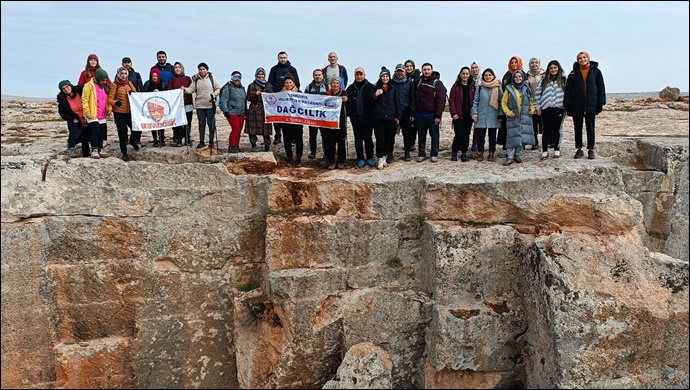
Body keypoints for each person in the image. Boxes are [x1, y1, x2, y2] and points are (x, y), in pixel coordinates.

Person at [564, 50, 606, 160]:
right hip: (577, 104)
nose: (582, 60)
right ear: (577, 60)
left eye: (584, 57)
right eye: (580, 58)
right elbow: (568, 90)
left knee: (590, 127)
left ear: (588, 58)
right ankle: (579, 149)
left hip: (591, 103)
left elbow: (601, 87)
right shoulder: (573, 74)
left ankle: (591, 150)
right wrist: (568, 105)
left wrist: (600, 103)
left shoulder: (596, 71)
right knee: (577, 127)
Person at [182, 62, 221, 149]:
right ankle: (202, 141)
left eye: (204, 69)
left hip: (210, 105)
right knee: (201, 124)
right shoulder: (195, 80)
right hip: (200, 106)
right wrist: (184, 89)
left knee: (211, 124)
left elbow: (218, 88)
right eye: (200, 69)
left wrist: (213, 95)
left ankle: (211, 141)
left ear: (207, 70)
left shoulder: (211, 78)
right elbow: (190, 90)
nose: (202, 71)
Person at [413, 63, 446, 162]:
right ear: (422, 71)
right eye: (424, 69)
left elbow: (441, 100)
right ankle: (421, 153)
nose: (426, 71)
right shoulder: (418, 81)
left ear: (432, 70)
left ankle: (434, 154)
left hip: (432, 115)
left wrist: (438, 115)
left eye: (428, 69)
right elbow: (414, 97)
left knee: (434, 135)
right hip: (420, 114)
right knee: (421, 135)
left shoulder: (437, 83)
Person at [501, 70, 535, 166]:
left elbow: (531, 100)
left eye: (520, 76)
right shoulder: (509, 89)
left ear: (523, 77)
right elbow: (504, 102)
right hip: (513, 116)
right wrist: (508, 112)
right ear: (513, 78)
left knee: (522, 136)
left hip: (524, 116)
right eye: (516, 77)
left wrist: (532, 109)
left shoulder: (526, 88)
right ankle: (510, 156)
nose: (518, 78)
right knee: (512, 137)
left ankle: (518, 154)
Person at [535, 60, 566, 160]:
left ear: (558, 68)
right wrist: (538, 107)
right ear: (548, 69)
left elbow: (567, 94)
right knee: (546, 129)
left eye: (555, 68)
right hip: (546, 108)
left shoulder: (563, 79)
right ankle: (544, 150)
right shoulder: (543, 80)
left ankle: (557, 149)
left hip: (559, 108)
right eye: (551, 68)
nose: (553, 70)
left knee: (557, 129)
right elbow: (537, 94)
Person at [346, 67, 375, 168]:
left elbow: (374, 102)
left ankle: (370, 157)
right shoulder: (350, 88)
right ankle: (360, 158)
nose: (359, 76)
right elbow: (347, 103)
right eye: (357, 74)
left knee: (368, 138)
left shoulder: (371, 87)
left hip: (368, 118)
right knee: (357, 139)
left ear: (364, 75)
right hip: (355, 119)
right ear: (354, 75)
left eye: (361, 74)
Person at [268, 51, 300, 144]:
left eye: (284, 57)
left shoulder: (292, 69)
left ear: (287, 58)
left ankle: (293, 137)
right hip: (278, 97)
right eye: (281, 58)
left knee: (291, 117)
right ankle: (277, 136)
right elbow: (270, 82)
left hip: (291, 98)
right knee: (277, 118)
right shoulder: (274, 69)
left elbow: (297, 82)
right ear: (278, 59)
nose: (283, 59)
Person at [471, 68, 503, 162]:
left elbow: (501, 102)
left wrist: (501, 115)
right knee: (481, 136)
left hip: (494, 115)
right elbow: (475, 101)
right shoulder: (480, 87)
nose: (488, 77)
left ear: (493, 76)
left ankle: (491, 153)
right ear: (483, 77)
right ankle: (480, 152)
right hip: (482, 115)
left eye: (490, 75)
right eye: (486, 75)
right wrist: (474, 113)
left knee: (492, 137)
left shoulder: (498, 87)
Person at [371, 67, 399, 169]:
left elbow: (397, 103)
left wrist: (397, 116)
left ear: (389, 77)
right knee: (380, 139)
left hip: (390, 117)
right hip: (378, 117)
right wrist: (375, 95)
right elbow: (370, 101)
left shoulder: (393, 89)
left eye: (387, 76)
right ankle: (380, 158)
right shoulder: (375, 87)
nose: (385, 78)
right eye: (383, 76)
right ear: (380, 77)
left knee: (389, 138)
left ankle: (386, 156)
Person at [107, 67, 137, 161]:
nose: (123, 75)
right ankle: (124, 153)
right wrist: (115, 102)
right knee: (122, 134)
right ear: (118, 74)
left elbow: (136, 94)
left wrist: (133, 93)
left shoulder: (129, 83)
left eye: (125, 74)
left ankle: (132, 141)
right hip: (119, 113)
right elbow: (109, 99)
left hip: (129, 112)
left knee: (136, 129)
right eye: (122, 74)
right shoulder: (114, 85)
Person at [82, 69, 112, 159]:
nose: (104, 81)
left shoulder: (106, 87)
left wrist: (109, 108)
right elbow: (85, 99)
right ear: (98, 78)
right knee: (96, 130)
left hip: (102, 113)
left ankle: (100, 149)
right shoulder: (89, 86)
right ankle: (94, 150)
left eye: (105, 80)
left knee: (102, 132)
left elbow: (108, 99)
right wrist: (86, 111)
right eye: (102, 80)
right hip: (92, 113)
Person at [448, 66, 476, 162]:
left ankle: (464, 153)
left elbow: (475, 100)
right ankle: (454, 152)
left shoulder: (473, 86)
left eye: (467, 74)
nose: (465, 75)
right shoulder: (455, 86)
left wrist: (474, 113)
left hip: (469, 115)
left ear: (469, 75)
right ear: (460, 74)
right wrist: (454, 113)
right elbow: (451, 100)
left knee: (466, 134)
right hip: (458, 115)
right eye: (463, 73)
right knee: (459, 134)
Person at [57, 80, 90, 158]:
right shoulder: (63, 100)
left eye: (67, 86)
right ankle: (70, 149)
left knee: (85, 136)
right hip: (75, 119)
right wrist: (72, 119)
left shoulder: (80, 91)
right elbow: (63, 114)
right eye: (63, 88)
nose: (66, 89)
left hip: (86, 117)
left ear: (70, 86)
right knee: (74, 134)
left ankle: (86, 154)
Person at [245, 67, 273, 152]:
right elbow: (248, 97)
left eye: (262, 74)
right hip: (254, 109)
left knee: (266, 129)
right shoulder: (251, 85)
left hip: (265, 110)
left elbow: (273, 97)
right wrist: (255, 94)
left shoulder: (269, 85)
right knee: (252, 129)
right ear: (256, 75)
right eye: (259, 74)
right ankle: (253, 144)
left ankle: (267, 146)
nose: (261, 76)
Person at [304, 68, 329, 160]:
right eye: (316, 75)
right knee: (312, 135)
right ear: (313, 76)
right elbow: (304, 101)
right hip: (313, 116)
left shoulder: (327, 86)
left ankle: (326, 153)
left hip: (324, 116)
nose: (318, 76)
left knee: (325, 135)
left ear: (322, 76)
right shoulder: (308, 87)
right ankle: (313, 152)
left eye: (319, 75)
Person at [391, 63, 415, 161]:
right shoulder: (391, 83)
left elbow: (413, 98)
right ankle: (389, 153)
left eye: (401, 71)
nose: (400, 73)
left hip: (406, 111)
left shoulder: (410, 83)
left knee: (407, 133)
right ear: (395, 72)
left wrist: (412, 113)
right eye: (398, 71)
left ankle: (407, 152)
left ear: (405, 72)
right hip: (393, 112)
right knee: (391, 134)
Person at [499, 56, 524, 149]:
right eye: (512, 63)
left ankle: (520, 146)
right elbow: (504, 90)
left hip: (521, 105)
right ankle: (507, 145)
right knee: (508, 127)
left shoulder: (523, 74)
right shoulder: (506, 76)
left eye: (516, 62)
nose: (514, 64)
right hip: (509, 105)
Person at [219, 71, 247, 153]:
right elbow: (223, 100)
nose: (237, 79)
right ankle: (231, 146)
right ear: (232, 78)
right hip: (231, 112)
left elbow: (244, 101)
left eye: (239, 77)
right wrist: (225, 111)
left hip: (241, 112)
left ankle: (236, 146)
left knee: (239, 130)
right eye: (235, 77)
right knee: (235, 128)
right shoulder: (228, 87)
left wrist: (245, 111)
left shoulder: (242, 89)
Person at [167, 62, 194, 146]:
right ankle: (178, 139)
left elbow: (191, 89)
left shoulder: (187, 79)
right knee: (178, 123)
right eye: (176, 67)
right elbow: (169, 91)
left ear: (182, 68)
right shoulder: (172, 79)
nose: (177, 69)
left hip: (187, 103)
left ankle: (187, 138)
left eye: (179, 67)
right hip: (177, 105)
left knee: (187, 122)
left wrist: (185, 89)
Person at [279, 73, 304, 166]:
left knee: (298, 139)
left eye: (290, 82)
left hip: (297, 121)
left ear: (293, 83)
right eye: (286, 83)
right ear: (284, 84)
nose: (288, 84)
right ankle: (289, 157)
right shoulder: (280, 94)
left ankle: (298, 158)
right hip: (285, 121)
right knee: (287, 139)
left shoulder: (299, 94)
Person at [325, 76, 349, 169]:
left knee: (341, 143)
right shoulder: (326, 94)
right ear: (331, 84)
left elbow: (350, 108)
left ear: (340, 84)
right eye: (333, 83)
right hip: (329, 123)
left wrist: (347, 101)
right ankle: (331, 161)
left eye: (337, 83)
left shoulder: (345, 93)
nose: (335, 85)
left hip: (341, 123)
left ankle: (341, 161)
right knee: (330, 143)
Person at [142, 68, 167, 146]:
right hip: (151, 106)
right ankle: (155, 139)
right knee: (153, 123)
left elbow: (167, 94)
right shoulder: (148, 83)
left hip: (160, 106)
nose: (154, 77)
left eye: (156, 76)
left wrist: (160, 93)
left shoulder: (162, 83)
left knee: (161, 122)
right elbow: (143, 94)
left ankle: (162, 139)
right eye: (153, 76)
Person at [526, 57, 545, 150]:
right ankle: (535, 142)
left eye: (536, 62)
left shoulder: (544, 74)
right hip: (531, 102)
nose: (534, 64)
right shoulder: (527, 75)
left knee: (545, 123)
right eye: (532, 63)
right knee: (533, 124)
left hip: (543, 101)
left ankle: (548, 141)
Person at [469, 61, 482, 151]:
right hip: (468, 105)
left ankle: (475, 144)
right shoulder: (468, 79)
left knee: (478, 127)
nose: (474, 70)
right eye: (472, 68)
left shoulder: (483, 79)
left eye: (476, 67)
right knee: (467, 127)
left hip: (480, 106)